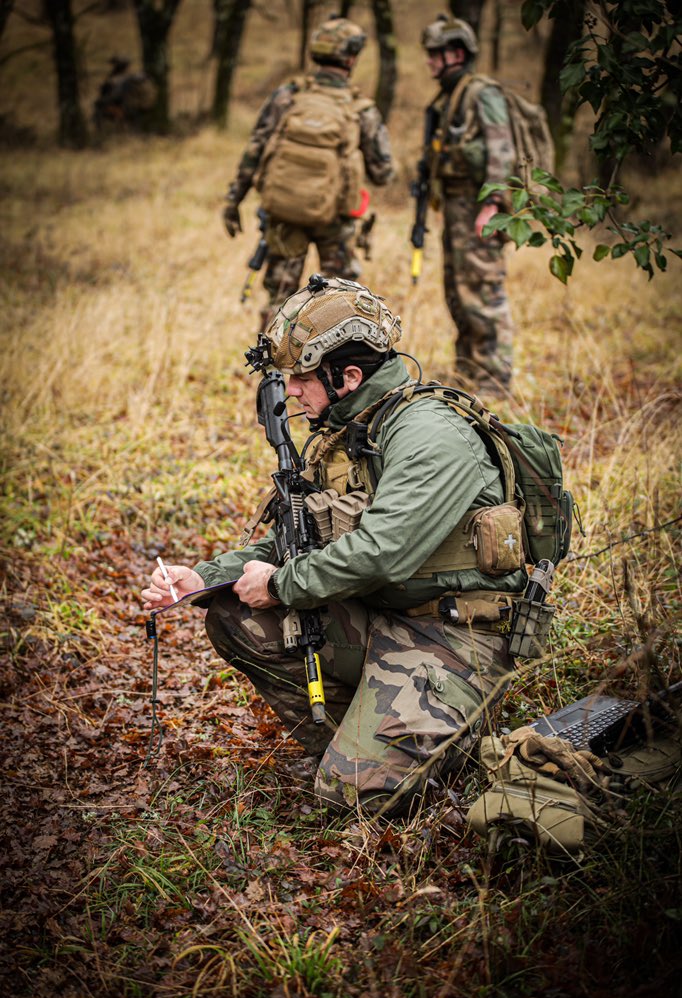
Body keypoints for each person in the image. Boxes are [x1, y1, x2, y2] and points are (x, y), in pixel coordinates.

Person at [142, 276, 527, 817]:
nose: (292, 391)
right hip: (382, 612)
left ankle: (447, 740)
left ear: (348, 376)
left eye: (301, 378)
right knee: (233, 612)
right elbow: (302, 537)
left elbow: (381, 552)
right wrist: (205, 577)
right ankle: (364, 736)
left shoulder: (429, 434)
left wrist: (279, 586)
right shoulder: (351, 427)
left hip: (454, 633)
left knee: (349, 798)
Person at [222, 16, 394, 328]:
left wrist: (233, 201)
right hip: (336, 223)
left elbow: (255, 150)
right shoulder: (361, 109)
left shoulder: (287, 96)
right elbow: (383, 171)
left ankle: (271, 373)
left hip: (286, 215)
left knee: (281, 298)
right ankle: (330, 373)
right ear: (352, 59)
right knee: (338, 302)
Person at [419, 14, 515, 394]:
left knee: (484, 291)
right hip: (459, 209)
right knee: (459, 292)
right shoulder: (451, 95)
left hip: (479, 209)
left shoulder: (481, 93)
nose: (429, 62)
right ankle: (469, 372)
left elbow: (501, 149)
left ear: (456, 53)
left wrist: (492, 203)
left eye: (434, 54)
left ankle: (495, 379)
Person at [93, 56, 156, 133]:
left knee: (100, 108)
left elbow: (113, 97)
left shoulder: (115, 80)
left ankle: (103, 133)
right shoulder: (136, 77)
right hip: (143, 107)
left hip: (126, 108)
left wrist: (103, 101)